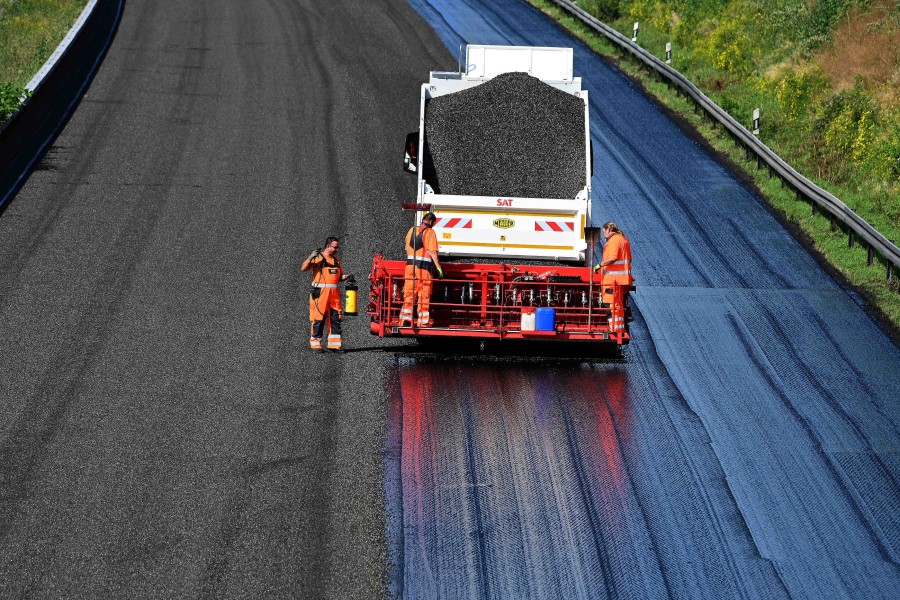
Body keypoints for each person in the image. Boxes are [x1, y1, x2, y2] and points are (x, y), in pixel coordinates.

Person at [302, 237, 351, 351]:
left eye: (338, 247)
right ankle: (316, 345)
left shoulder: (336, 260)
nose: (337, 249)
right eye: (335, 247)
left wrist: (347, 276)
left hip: (334, 295)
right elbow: (303, 268)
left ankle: (334, 346)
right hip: (320, 294)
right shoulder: (318, 258)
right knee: (318, 319)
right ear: (328, 246)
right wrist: (310, 257)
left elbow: (339, 277)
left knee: (335, 319)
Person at [399, 212, 443, 328]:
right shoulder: (430, 232)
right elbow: (433, 252)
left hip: (409, 267)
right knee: (424, 294)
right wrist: (438, 267)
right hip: (423, 268)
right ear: (433, 223)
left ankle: (405, 320)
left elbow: (406, 247)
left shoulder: (411, 230)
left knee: (409, 293)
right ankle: (423, 321)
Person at [593, 221, 633, 312]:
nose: (604, 235)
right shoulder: (623, 240)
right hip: (621, 280)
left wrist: (599, 265)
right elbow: (629, 259)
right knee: (617, 305)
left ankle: (613, 326)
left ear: (609, 229)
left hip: (612, 280)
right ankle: (618, 326)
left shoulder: (614, 241)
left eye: (604, 232)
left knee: (609, 305)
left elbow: (612, 258)